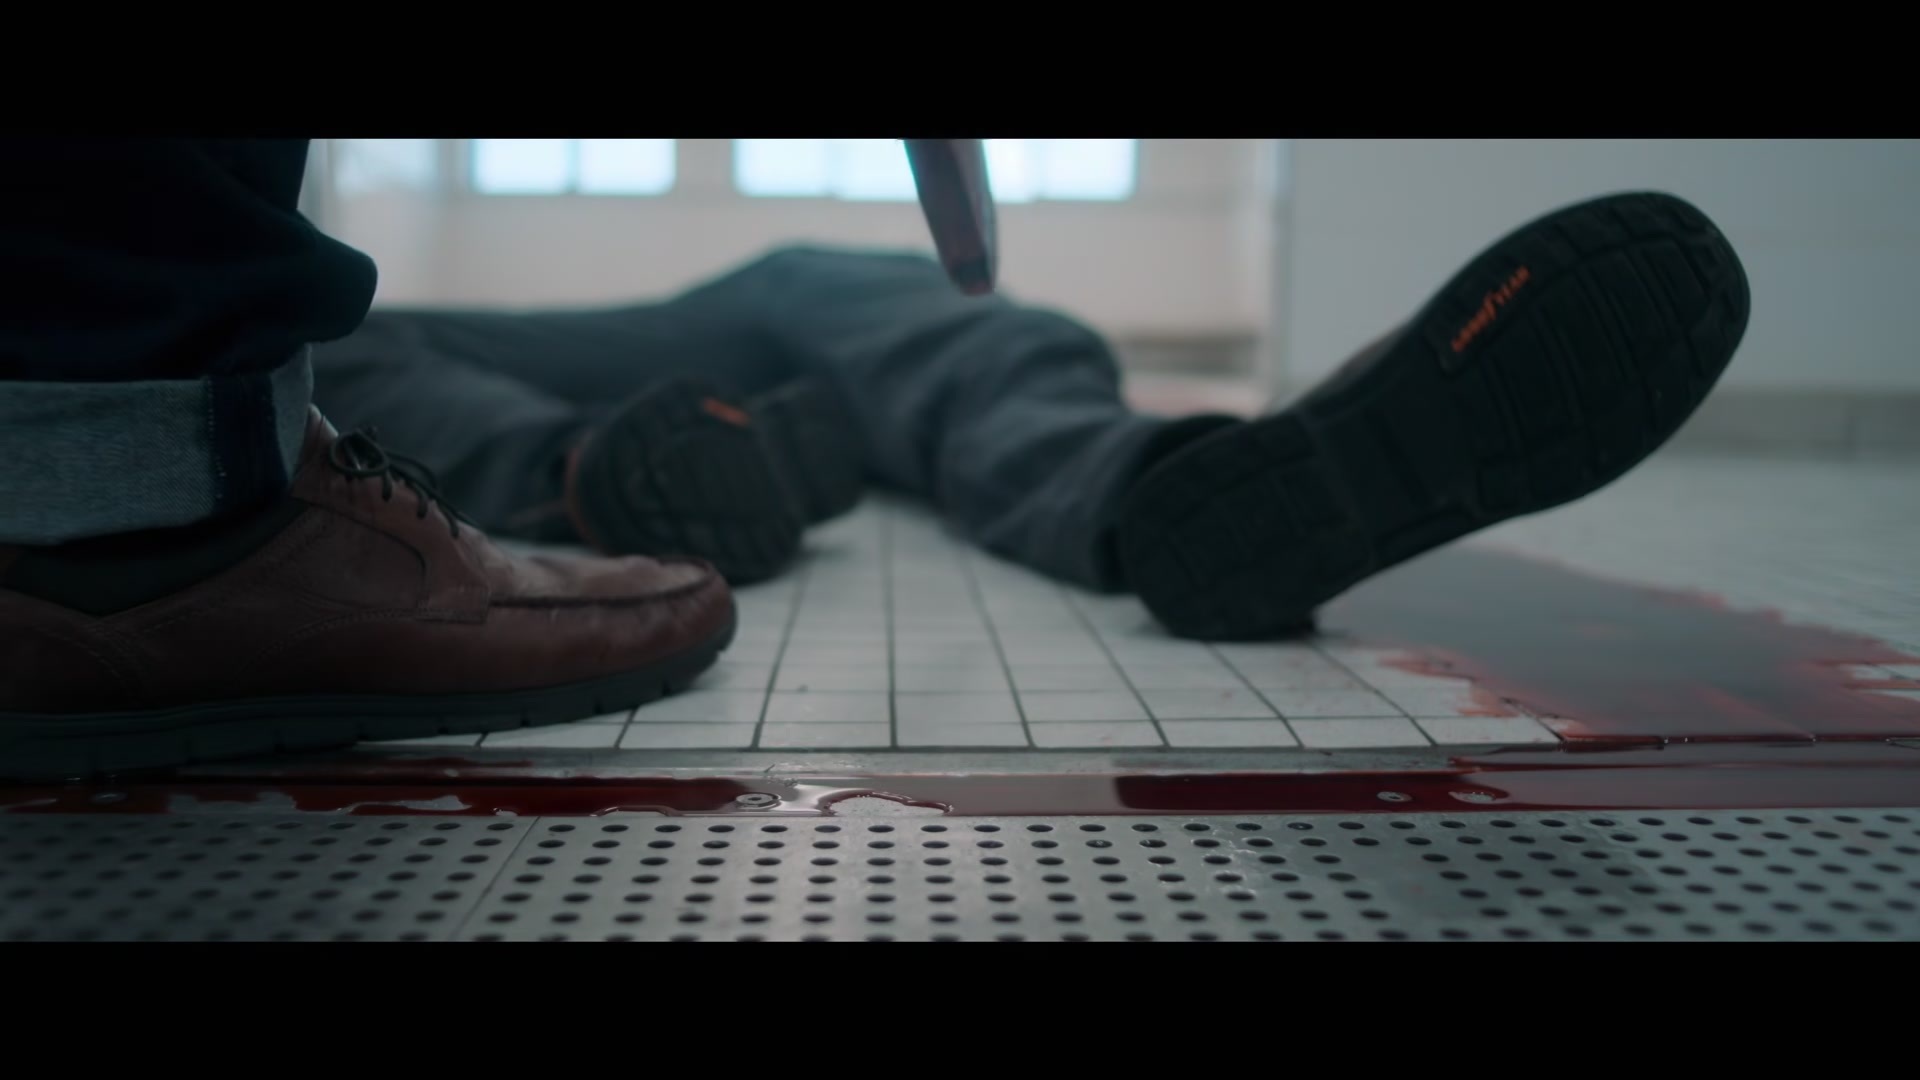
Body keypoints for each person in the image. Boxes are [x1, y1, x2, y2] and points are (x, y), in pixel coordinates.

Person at [0, 138, 1750, 778]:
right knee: (353, 340)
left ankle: (1167, 489)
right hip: (445, 324)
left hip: (728, 315)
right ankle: (600, 472)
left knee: (897, 296)